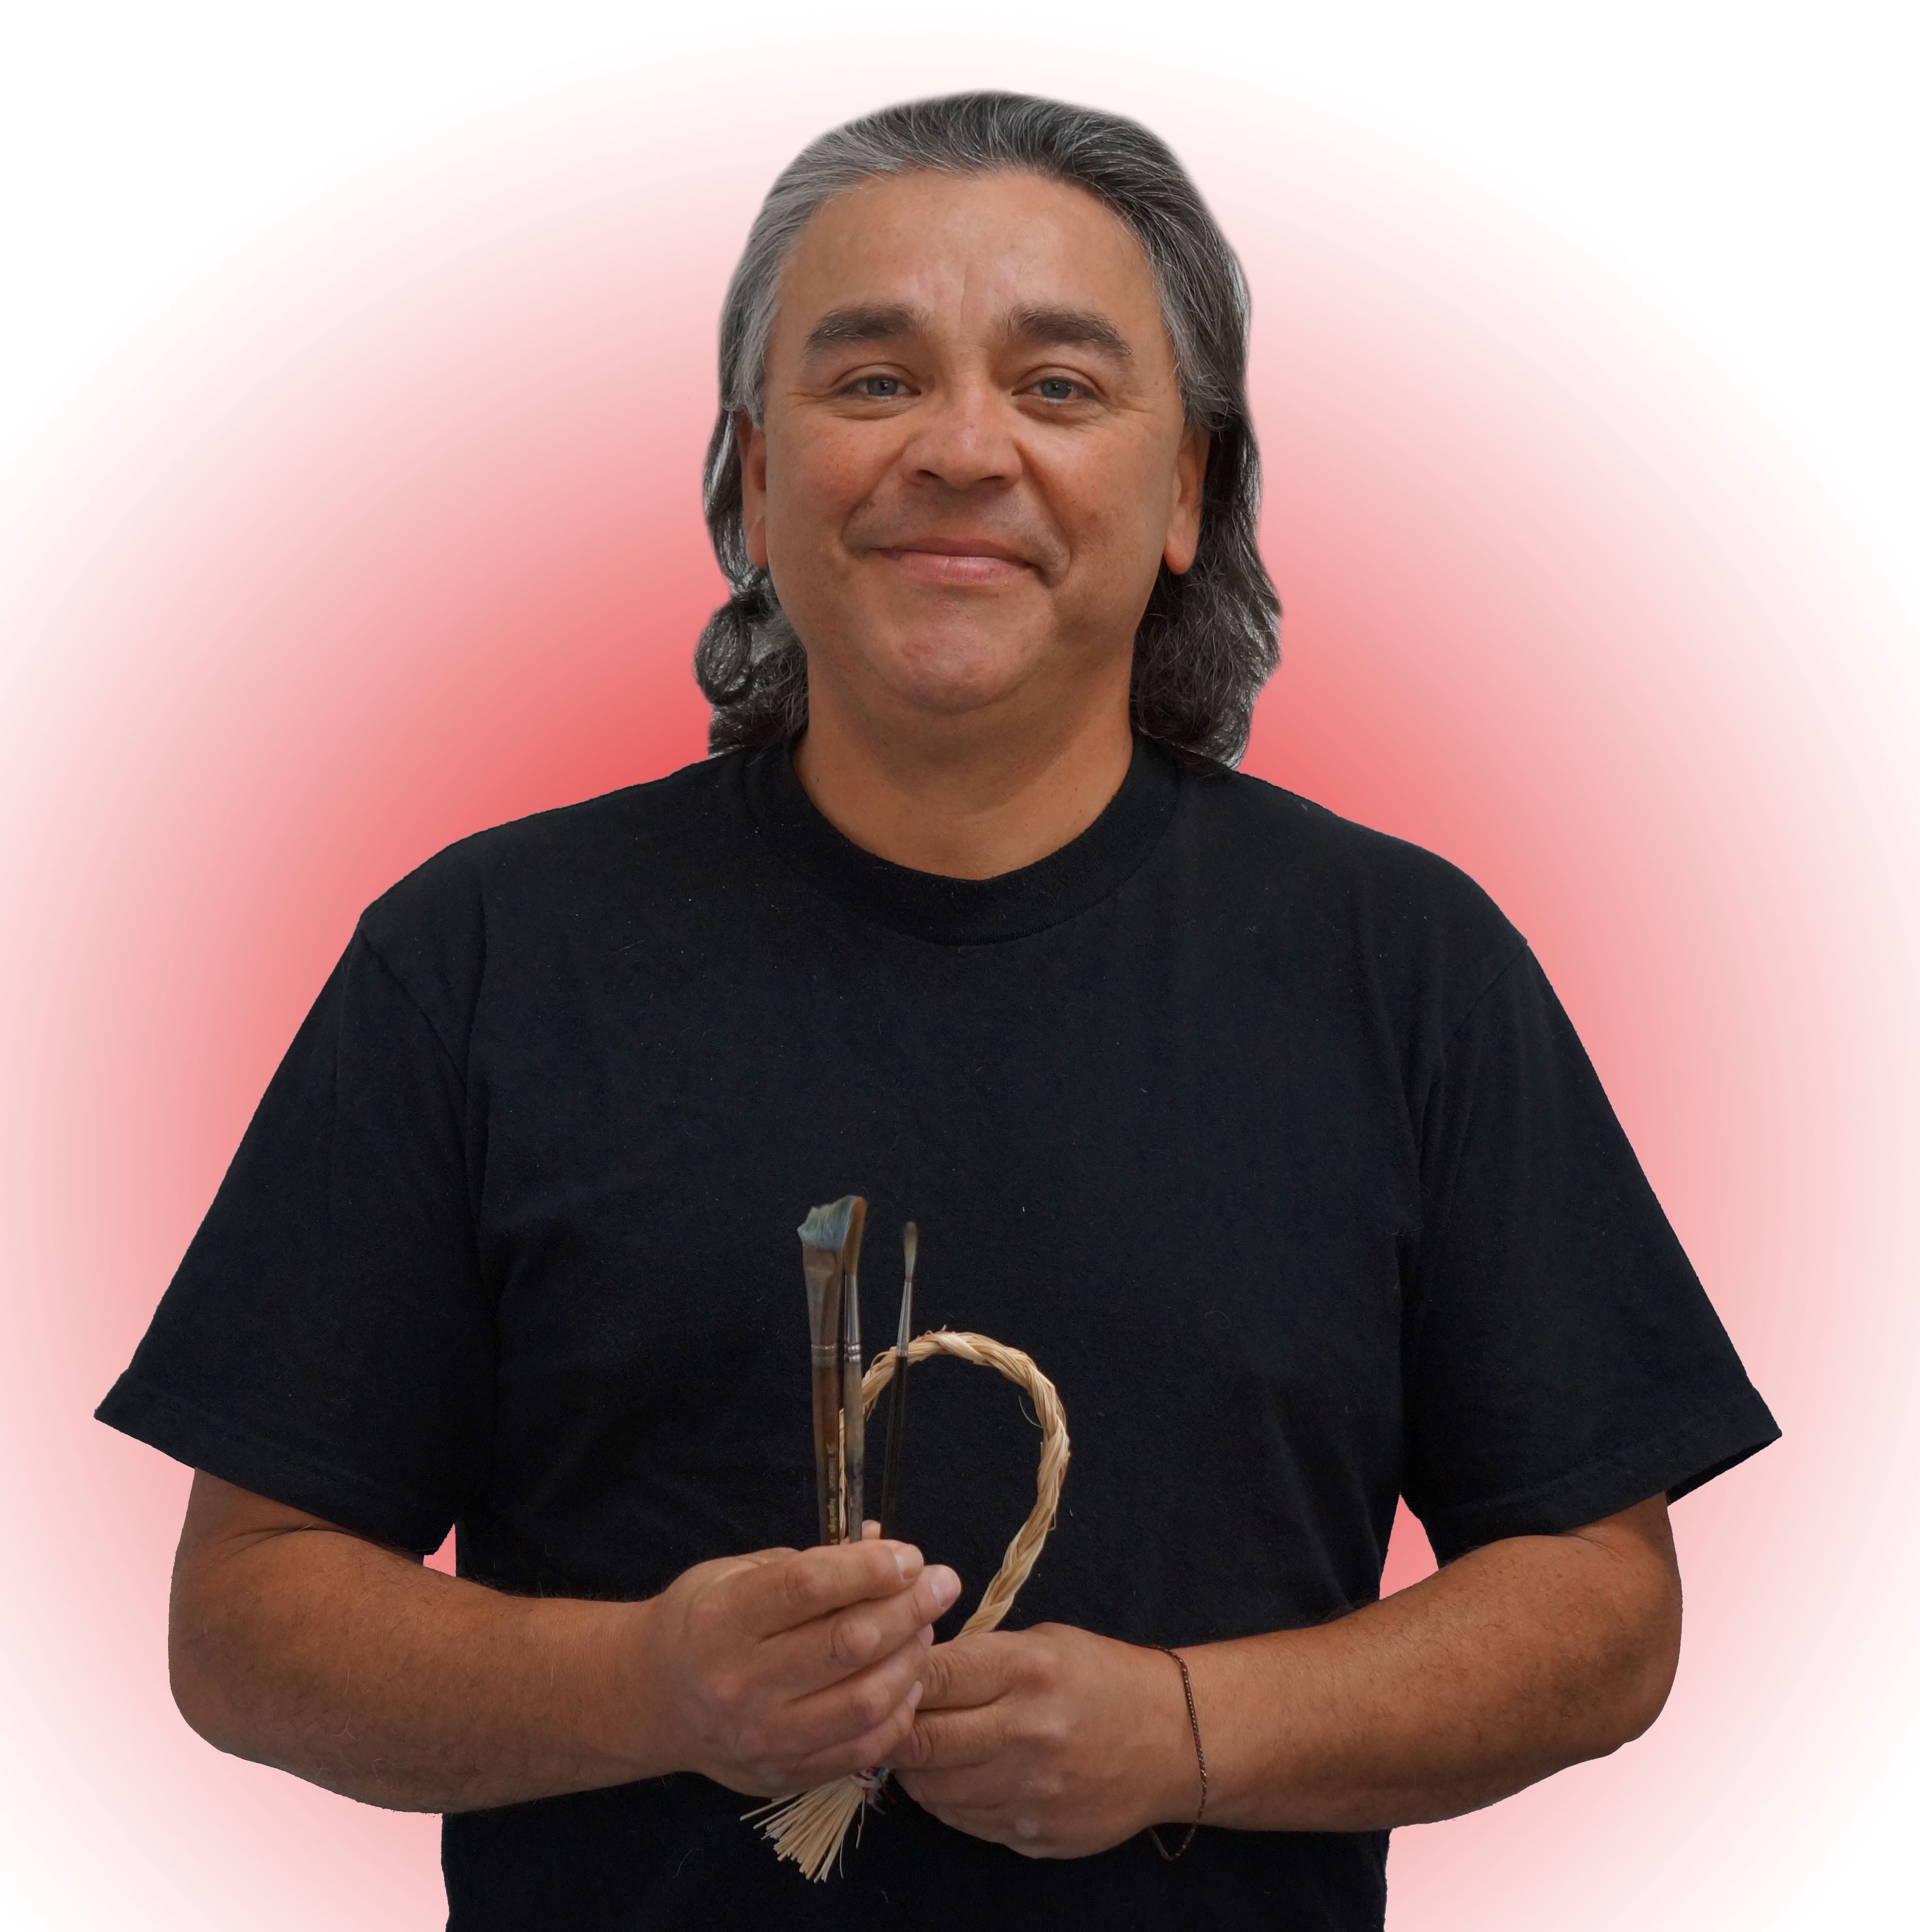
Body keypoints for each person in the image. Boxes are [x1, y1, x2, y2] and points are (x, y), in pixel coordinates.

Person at [97, 91, 1778, 1930]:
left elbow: (1603, 1609)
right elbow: (243, 1618)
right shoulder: (480, 955)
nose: (965, 448)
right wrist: (649, 1688)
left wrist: (1192, 1730)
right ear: (749, 472)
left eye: (1058, 388)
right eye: (874, 381)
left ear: (1189, 490)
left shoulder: (1405, 965)